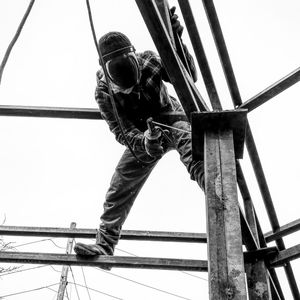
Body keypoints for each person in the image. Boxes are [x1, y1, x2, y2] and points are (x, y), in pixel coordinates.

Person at [74, 8, 204, 258]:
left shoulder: (150, 60)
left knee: (194, 150)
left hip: (171, 117)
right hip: (142, 135)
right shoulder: (104, 92)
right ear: (109, 74)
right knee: (121, 183)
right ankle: (105, 244)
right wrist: (145, 141)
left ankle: (217, 195)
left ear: (134, 57)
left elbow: (189, 76)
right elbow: (121, 130)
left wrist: (176, 39)